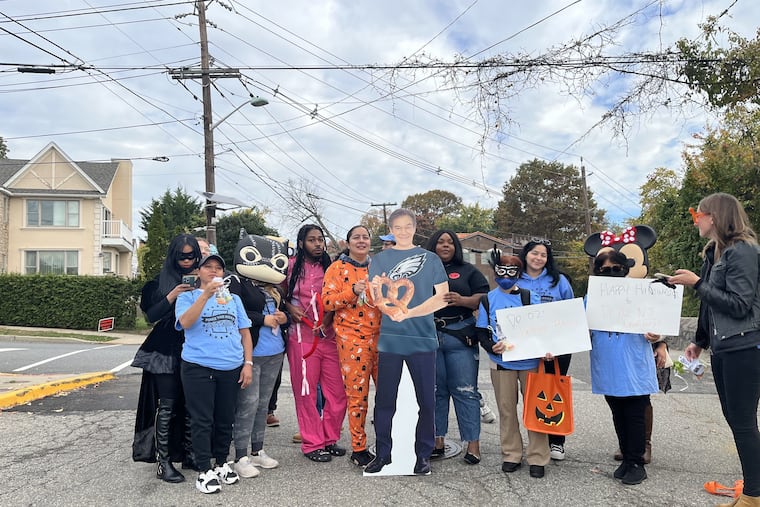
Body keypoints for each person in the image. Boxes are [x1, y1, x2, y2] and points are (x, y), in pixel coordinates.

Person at [668, 193, 760, 507]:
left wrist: (696, 283)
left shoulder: (742, 251)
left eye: (699, 214)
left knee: (744, 421)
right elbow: (710, 304)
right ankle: (752, 490)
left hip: (746, 346)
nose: (696, 220)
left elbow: (739, 304)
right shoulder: (714, 253)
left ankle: (753, 496)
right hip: (723, 348)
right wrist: (700, 341)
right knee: (735, 419)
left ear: (716, 216)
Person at [364, 208, 448, 476]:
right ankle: (383, 454)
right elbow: (375, 295)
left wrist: (409, 312)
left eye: (407, 226)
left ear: (414, 227)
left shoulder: (430, 259)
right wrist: (390, 310)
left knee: (427, 401)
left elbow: (441, 297)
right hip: (390, 342)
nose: (402, 231)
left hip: (423, 339)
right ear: (391, 228)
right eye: (397, 227)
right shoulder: (379, 260)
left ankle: (423, 455)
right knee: (385, 401)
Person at [176, 253, 253, 494]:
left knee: (225, 418)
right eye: (207, 267)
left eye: (218, 268)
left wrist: (247, 363)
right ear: (198, 272)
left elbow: (245, 332)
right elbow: (186, 322)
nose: (213, 271)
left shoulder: (234, 299)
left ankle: (221, 462)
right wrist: (206, 294)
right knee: (202, 420)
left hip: (230, 366)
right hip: (198, 366)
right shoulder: (187, 296)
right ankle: (203, 469)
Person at [131, 234, 201, 483]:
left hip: (195, 347)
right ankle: (164, 462)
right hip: (164, 349)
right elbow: (151, 316)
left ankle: (190, 454)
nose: (187, 260)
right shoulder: (155, 285)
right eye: (182, 255)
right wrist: (173, 294)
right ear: (174, 255)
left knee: (191, 404)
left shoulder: (204, 281)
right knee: (168, 405)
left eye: (192, 255)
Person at [475, 252, 550, 479]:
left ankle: (538, 456)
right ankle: (511, 454)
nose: (506, 275)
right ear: (495, 271)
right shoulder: (488, 299)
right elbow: (481, 331)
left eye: (512, 271)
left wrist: (547, 348)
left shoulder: (530, 296)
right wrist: (490, 347)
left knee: (536, 410)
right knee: (506, 411)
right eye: (502, 270)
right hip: (502, 364)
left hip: (530, 364)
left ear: (519, 274)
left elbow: (542, 328)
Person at [588, 249, 658, 486]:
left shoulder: (642, 295)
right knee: (618, 412)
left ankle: (636, 461)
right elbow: (578, 327)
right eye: (605, 269)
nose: (611, 273)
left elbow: (659, 321)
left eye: (616, 268)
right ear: (597, 271)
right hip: (608, 365)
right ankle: (627, 459)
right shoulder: (592, 298)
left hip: (634, 364)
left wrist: (657, 335)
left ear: (625, 269)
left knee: (635, 413)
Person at [228, 232, 291, 478]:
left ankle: (257, 450)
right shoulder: (236, 281)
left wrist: (283, 318)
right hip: (250, 352)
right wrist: (262, 319)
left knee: (263, 405)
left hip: (275, 352)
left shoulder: (274, 287)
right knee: (247, 404)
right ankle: (240, 456)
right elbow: (235, 310)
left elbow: (281, 314)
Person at [424, 229, 489, 465]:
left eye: (450, 242)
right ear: (433, 246)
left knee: (465, 390)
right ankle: (437, 440)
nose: (445, 245)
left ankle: (472, 444)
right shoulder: (422, 270)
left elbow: (484, 297)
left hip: (460, 335)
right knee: (435, 391)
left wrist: (463, 300)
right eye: (440, 242)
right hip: (430, 335)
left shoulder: (468, 271)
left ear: (456, 247)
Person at [284, 224, 347, 462]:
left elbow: (337, 298)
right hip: (301, 336)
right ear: (301, 243)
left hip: (328, 336)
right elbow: (277, 293)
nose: (318, 244)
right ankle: (312, 443)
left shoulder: (331, 268)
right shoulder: (289, 267)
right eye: (312, 240)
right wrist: (290, 308)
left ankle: (330, 438)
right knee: (306, 392)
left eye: (320, 240)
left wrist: (328, 320)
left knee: (337, 393)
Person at [322, 225, 381, 467]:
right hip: (351, 340)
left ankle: (388, 443)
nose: (361, 240)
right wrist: (352, 291)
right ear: (347, 243)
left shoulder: (378, 267)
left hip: (381, 337)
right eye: (356, 237)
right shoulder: (336, 268)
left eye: (365, 237)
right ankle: (359, 448)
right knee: (358, 396)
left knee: (388, 394)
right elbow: (326, 302)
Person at [518, 239, 574, 461]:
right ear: (526, 255)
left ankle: (557, 441)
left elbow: (571, 312)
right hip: (525, 348)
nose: (538, 258)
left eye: (543, 255)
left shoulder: (558, 281)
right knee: (532, 394)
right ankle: (536, 443)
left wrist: (557, 344)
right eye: (534, 253)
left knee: (553, 392)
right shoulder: (515, 278)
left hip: (557, 348)